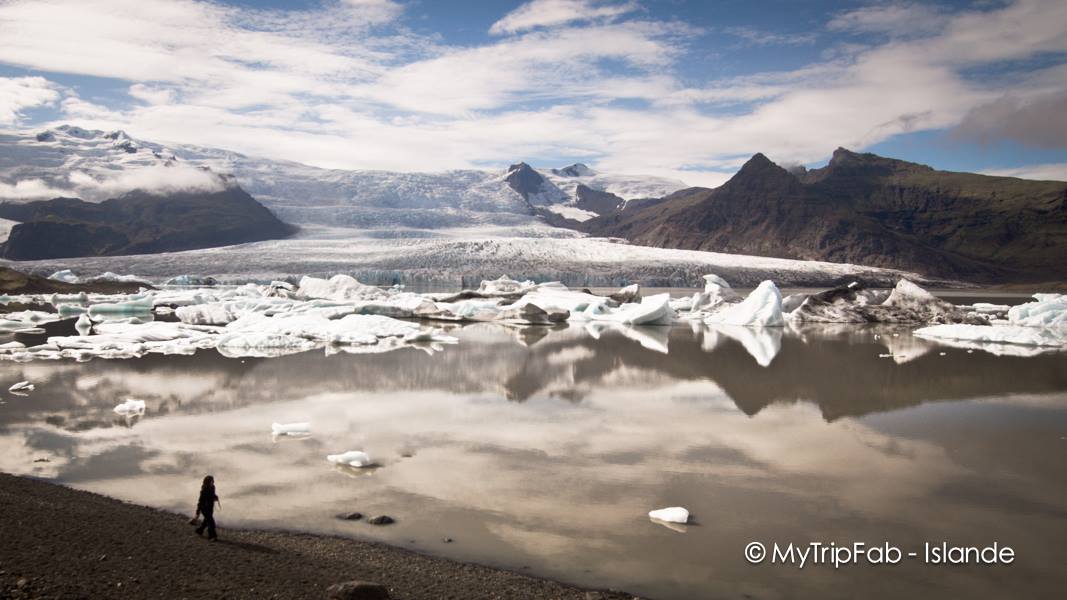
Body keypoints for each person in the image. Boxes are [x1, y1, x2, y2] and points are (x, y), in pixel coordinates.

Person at [193, 475, 221, 540]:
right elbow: (200, 501)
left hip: (210, 507)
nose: (213, 482)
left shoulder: (213, 487)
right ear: (208, 482)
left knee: (207, 520)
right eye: (212, 481)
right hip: (204, 508)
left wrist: (215, 497)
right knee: (211, 522)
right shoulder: (204, 490)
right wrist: (198, 512)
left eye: (213, 481)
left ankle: (200, 530)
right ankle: (212, 536)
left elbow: (213, 495)